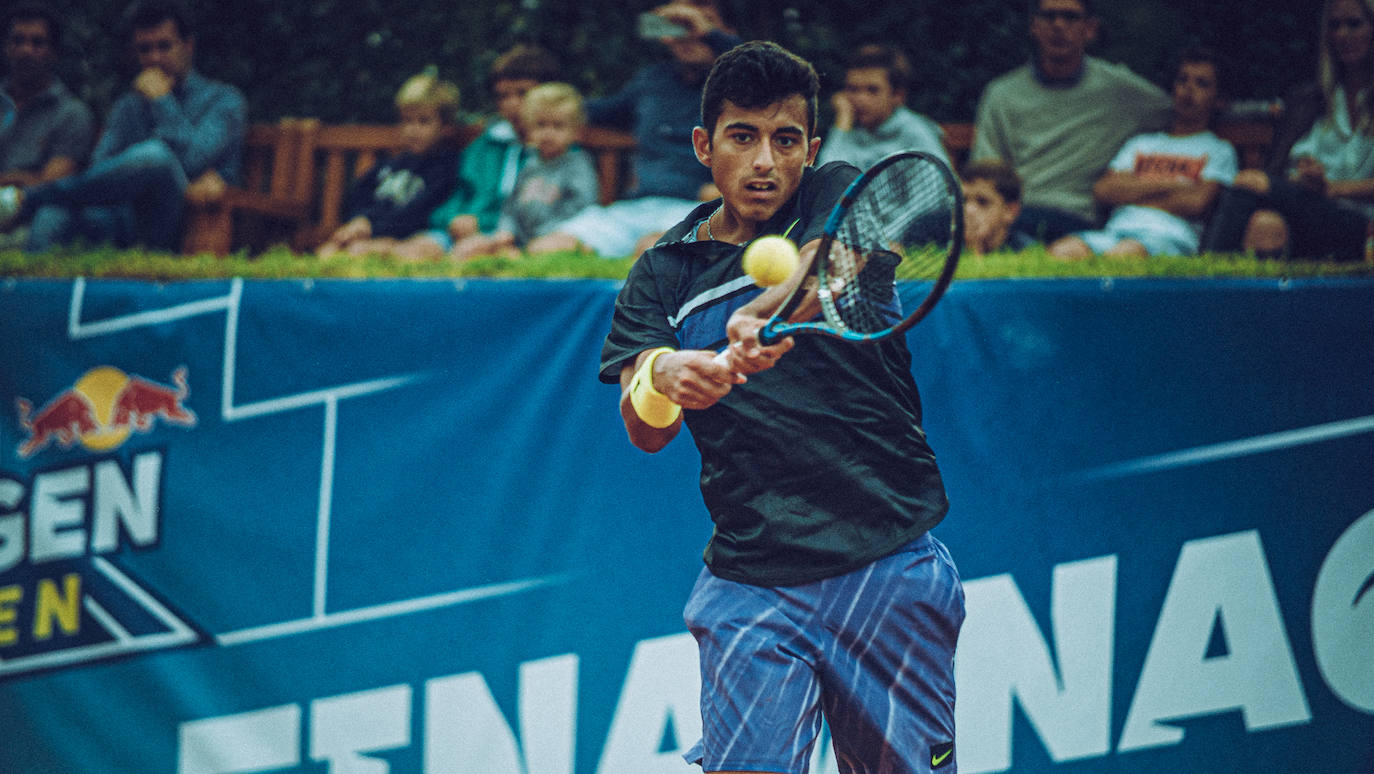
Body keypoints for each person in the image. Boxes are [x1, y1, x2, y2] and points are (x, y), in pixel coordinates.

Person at [599, 41, 964, 773]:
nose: (765, 161)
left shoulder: (838, 190)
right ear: (705, 146)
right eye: (743, 137)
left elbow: (830, 261)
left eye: (785, 139)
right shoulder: (664, 272)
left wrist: (763, 307)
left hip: (885, 558)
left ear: (812, 148)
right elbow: (642, 427)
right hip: (750, 580)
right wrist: (669, 375)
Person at [0, 0, 246, 253]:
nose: (154, 59)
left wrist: (162, 101)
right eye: (144, 49)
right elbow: (100, 165)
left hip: (182, 223)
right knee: (52, 214)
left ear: (188, 46)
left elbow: (192, 160)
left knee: (155, 155)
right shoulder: (128, 106)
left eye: (164, 47)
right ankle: (39, 285)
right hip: (118, 220)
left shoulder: (224, 100)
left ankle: (29, 198)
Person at [528, 0, 742, 258]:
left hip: (697, 208)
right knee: (547, 248)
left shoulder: (742, 88)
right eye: (678, 26)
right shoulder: (653, 81)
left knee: (652, 253)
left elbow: (764, 73)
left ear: (727, 31)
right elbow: (589, 112)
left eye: (698, 23)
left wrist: (708, 33)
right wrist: (536, 104)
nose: (688, 34)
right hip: (634, 208)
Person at [970, 0, 1171, 243]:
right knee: (931, 224)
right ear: (1034, 26)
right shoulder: (1002, 93)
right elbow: (986, 168)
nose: (1058, 25)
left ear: (1090, 28)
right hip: (1014, 210)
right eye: (1049, 16)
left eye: (1070, 17)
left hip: (1075, 215)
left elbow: (1185, 107)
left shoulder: (1120, 91)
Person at [1201, 0, 1374, 262]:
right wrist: (1304, 177)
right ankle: (1234, 298)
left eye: (1354, 24)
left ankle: (1200, 280)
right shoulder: (1312, 99)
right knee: (1264, 224)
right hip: (1315, 213)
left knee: (1250, 181)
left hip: (1364, 220)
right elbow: (1283, 171)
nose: (1342, 35)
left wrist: (1334, 188)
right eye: (1334, 25)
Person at [1049, 47, 1237, 259]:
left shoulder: (1219, 150)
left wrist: (1132, 190)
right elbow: (1105, 190)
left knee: (1123, 255)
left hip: (1169, 239)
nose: (1188, 89)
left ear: (1219, 99)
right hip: (1115, 233)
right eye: (1182, 80)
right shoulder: (1142, 143)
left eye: (1201, 83)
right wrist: (1174, 185)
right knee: (1063, 251)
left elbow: (1197, 203)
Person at [389, 44, 561, 261]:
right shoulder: (483, 147)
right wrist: (453, 219)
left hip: (510, 237)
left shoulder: (553, 153)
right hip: (457, 235)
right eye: (503, 96)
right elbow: (457, 194)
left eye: (522, 93)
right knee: (413, 251)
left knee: (471, 255)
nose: (512, 104)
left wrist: (483, 223)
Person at [315, 70, 460, 258]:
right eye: (407, 121)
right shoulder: (391, 165)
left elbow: (419, 212)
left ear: (446, 128)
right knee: (326, 253)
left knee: (361, 252)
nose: (412, 130)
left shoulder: (445, 167)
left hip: (408, 237)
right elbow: (357, 196)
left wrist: (371, 227)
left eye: (423, 121)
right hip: (369, 234)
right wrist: (360, 220)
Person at [451, 82, 598, 260]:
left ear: (576, 131)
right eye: (541, 125)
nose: (548, 133)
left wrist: (545, 234)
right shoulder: (529, 165)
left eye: (558, 126)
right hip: (519, 240)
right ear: (529, 128)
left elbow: (582, 210)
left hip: (555, 238)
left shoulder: (577, 166)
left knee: (541, 251)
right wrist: (505, 232)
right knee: (468, 249)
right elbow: (510, 207)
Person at [0, 4, 95, 247]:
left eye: (37, 43)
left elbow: (51, 185)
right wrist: (21, 178)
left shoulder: (71, 114)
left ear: (53, 52)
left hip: (27, 225)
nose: (26, 50)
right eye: (18, 40)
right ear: (6, 47)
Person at [816, 43, 952, 172]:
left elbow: (941, 188)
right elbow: (826, 184)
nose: (860, 99)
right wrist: (843, 122)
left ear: (898, 95)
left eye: (872, 90)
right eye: (853, 89)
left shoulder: (916, 133)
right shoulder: (848, 129)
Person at [961, 159, 1036, 255]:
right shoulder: (942, 247)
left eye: (982, 202)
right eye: (964, 200)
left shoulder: (1028, 253)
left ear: (1010, 211)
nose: (968, 209)